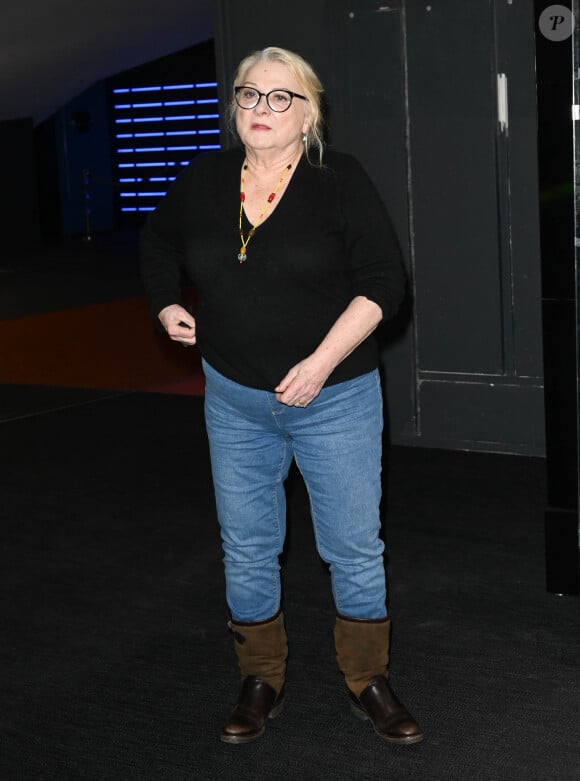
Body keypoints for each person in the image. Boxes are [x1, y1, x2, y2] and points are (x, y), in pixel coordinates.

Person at [140, 45, 423, 747]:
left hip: (335, 397)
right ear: (234, 104)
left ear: (309, 114)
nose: (262, 109)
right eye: (249, 95)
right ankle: (260, 677)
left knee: (353, 546)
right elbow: (156, 237)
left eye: (280, 97)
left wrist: (323, 362)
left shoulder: (338, 181)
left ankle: (368, 682)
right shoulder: (206, 178)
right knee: (247, 545)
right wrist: (163, 304)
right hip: (234, 398)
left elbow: (385, 282)